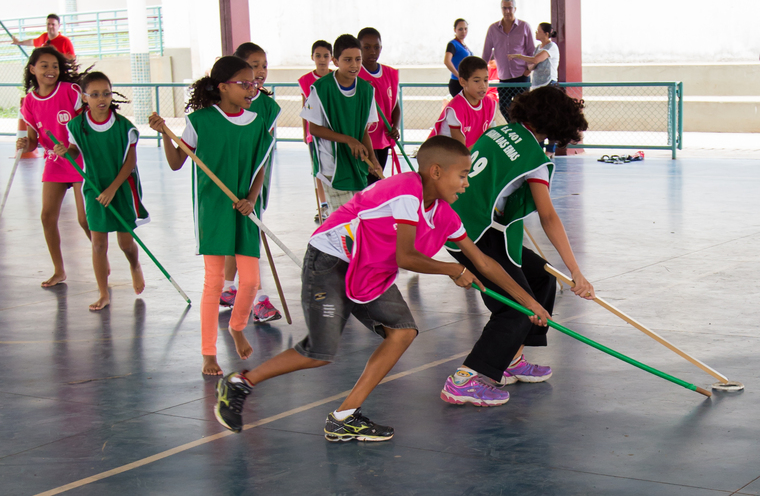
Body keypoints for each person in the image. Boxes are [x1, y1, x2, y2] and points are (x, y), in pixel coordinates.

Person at [213, 136, 550, 439]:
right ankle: (240, 382)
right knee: (320, 351)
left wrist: (528, 302)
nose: (466, 183)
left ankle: (344, 416)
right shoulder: (406, 190)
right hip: (332, 260)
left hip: (372, 267)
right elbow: (406, 255)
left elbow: (484, 262)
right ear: (435, 171)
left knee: (402, 332)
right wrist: (452, 268)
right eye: (462, 175)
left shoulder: (445, 214)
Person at [440, 86, 594, 407]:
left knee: (541, 276)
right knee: (518, 308)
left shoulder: (499, 132)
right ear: (558, 124)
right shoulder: (534, 157)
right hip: (472, 232)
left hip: (456, 219)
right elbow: (548, 216)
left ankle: (512, 357)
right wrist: (577, 272)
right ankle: (464, 379)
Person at [147, 56, 274, 376]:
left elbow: (260, 168)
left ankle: (237, 326)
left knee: (251, 280)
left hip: (245, 208)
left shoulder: (257, 122)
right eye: (244, 84)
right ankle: (208, 353)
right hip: (213, 210)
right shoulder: (201, 121)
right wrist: (165, 132)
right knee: (214, 282)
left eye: (254, 83)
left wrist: (252, 200)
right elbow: (177, 161)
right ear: (222, 87)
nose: (252, 88)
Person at [53, 72, 148, 311]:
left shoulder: (124, 127)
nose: (101, 99)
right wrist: (66, 151)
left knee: (125, 243)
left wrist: (113, 189)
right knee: (98, 244)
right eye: (94, 95)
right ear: (84, 98)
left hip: (121, 188)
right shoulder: (76, 125)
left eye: (106, 93)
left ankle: (134, 265)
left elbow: (130, 162)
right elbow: (76, 151)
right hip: (94, 189)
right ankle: (104, 293)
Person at [218, 42, 283, 324]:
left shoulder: (268, 106)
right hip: (227, 180)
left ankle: (234, 289)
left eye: (264, 65)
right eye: (254, 65)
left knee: (247, 235)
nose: (260, 71)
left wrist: (255, 191)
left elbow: (263, 151)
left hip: (254, 182)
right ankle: (255, 298)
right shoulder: (223, 104)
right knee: (240, 239)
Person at [17, 46, 90, 287]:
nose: (51, 70)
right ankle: (59, 270)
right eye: (45, 66)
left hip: (79, 159)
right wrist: (25, 144)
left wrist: (71, 147)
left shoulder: (70, 91)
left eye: (55, 66)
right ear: (32, 69)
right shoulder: (29, 101)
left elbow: (87, 125)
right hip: (54, 162)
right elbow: (33, 142)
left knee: (84, 220)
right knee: (47, 217)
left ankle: (100, 257)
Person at [300, 34, 383, 212]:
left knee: (359, 220)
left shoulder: (366, 90)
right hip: (333, 166)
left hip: (357, 166)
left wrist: (373, 159)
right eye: (347, 60)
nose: (354, 65)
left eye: (357, 59)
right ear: (336, 61)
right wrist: (348, 140)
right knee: (344, 223)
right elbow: (313, 128)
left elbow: (363, 131)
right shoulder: (321, 89)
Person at [509, 22, 561, 157]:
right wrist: (526, 69)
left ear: (547, 33)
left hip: (549, 85)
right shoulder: (538, 47)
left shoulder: (552, 47)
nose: (536, 33)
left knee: (551, 117)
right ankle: (539, 148)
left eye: (538, 31)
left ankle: (551, 149)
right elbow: (532, 63)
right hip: (537, 86)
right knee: (538, 118)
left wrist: (518, 56)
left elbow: (536, 59)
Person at [358, 27, 400, 185]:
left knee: (377, 180)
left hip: (383, 137)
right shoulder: (355, 74)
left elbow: (395, 106)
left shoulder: (390, 74)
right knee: (366, 181)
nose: (372, 52)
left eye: (376, 47)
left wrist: (395, 126)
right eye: (366, 47)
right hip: (362, 138)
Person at [482, 0, 534, 122]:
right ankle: (513, 128)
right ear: (501, 9)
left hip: (521, 76)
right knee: (504, 106)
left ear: (514, 9)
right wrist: (482, 72)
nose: (507, 11)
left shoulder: (524, 26)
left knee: (523, 108)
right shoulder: (493, 29)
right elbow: (486, 53)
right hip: (504, 77)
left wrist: (528, 70)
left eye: (510, 8)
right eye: (504, 8)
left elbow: (531, 51)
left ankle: (522, 132)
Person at [298, 40, 333, 223]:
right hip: (315, 135)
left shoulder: (336, 77)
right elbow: (305, 106)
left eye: (326, 56)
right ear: (312, 57)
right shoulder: (305, 81)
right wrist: (306, 133)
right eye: (318, 55)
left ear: (331, 58)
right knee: (317, 171)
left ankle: (336, 202)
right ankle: (324, 204)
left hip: (333, 133)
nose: (322, 59)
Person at [429, 56, 497, 149]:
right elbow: (461, 152)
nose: (483, 85)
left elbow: (492, 136)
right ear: (462, 82)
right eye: (477, 81)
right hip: (444, 157)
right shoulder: (456, 108)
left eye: (485, 80)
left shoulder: (489, 103)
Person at [443, 19, 472, 97]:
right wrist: (458, 75)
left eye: (465, 29)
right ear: (455, 30)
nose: (463, 31)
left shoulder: (463, 45)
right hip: (457, 83)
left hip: (466, 82)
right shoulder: (453, 44)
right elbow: (446, 61)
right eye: (460, 29)